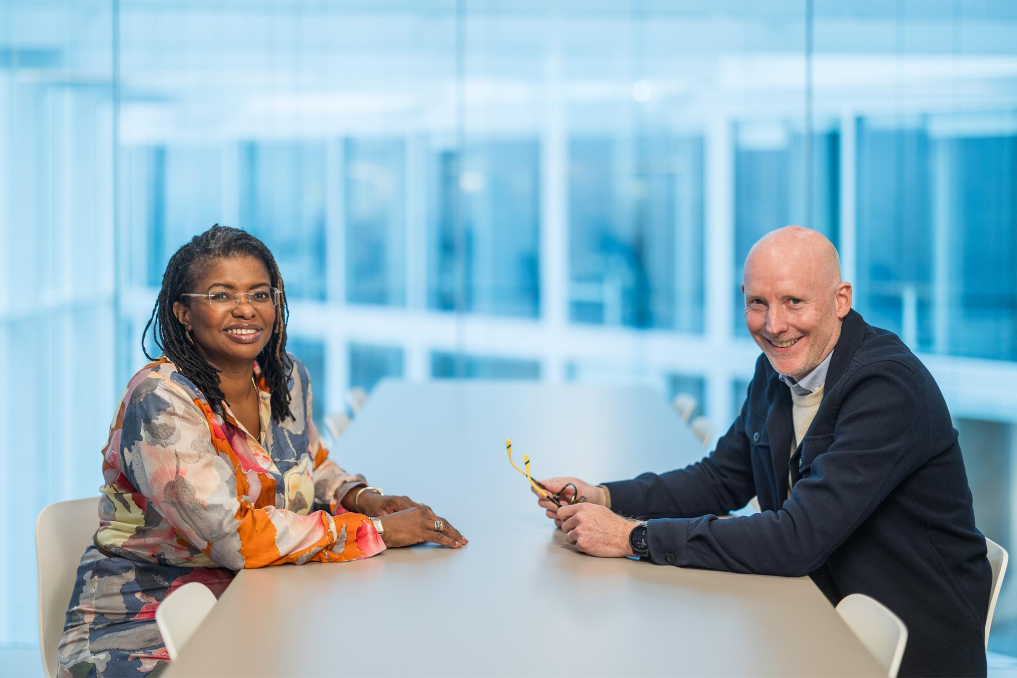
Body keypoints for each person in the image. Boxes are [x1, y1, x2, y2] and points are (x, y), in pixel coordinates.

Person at [535, 226, 991, 677]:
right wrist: (605, 497)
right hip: (813, 615)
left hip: (905, 652)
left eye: (794, 301)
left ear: (841, 300)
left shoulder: (887, 388)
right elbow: (721, 479)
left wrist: (633, 537)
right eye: (758, 303)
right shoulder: (777, 369)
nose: (774, 325)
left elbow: (796, 540)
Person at [58, 225, 467, 677]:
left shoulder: (284, 376)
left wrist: (361, 497)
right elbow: (232, 537)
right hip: (142, 630)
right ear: (183, 312)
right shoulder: (160, 401)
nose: (245, 309)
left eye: (260, 293)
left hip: (258, 600)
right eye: (220, 295)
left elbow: (308, 463)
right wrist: (378, 531)